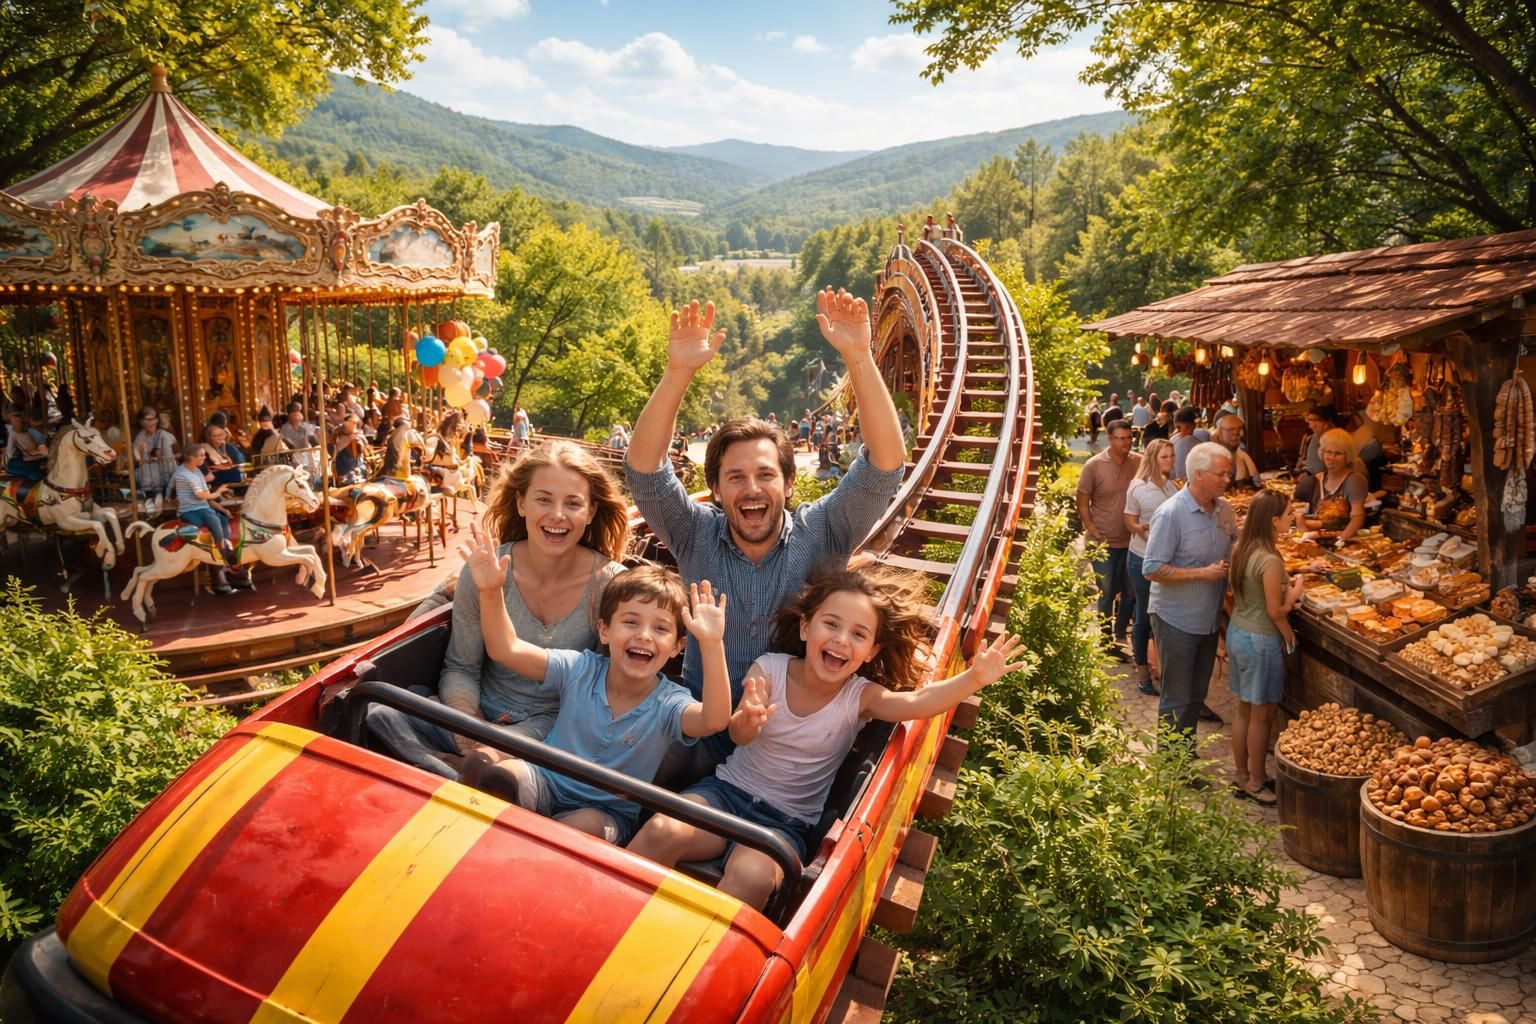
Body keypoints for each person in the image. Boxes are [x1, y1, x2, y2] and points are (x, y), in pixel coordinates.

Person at [627, 562, 1027, 908]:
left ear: (870, 651)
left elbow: (917, 702)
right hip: (725, 793)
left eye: (857, 634)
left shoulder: (859, 697)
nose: (840, 640)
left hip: (785, 823)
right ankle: (608, 915)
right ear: (805, 628)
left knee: (751, 875)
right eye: (831, 625)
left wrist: (973, 677)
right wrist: (747, 720)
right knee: (663, 829)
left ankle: (696, 970)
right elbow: (741, 731)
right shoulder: (769, 669)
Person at [625, 289, 906, 774]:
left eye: (765, 475)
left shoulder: (823, 531)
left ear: (789, 483)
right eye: (735, 478)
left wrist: (859, 357)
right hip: (703, 724)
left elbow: (884, 467)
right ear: (713, 488)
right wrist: (677, 373)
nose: (750, 490)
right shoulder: (695, 534)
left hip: (791, 741)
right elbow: (645, 472)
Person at [366, 440, 630, 778]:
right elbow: (461, 667)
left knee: (505, 770)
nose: (557, 515)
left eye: (573, 503)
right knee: (380, 711)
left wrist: (498, 745)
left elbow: (595, 695)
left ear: (591, 512)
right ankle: (459, 767)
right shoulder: (485, 571)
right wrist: (467, 728)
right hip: (475, 714)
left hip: (550, 729)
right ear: (521, 503)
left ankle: (450, 768)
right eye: (544, 499)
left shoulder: (610, 585)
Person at [457, 532, 732, 845]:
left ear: (676, 647)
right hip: (547, 780)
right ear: (604, 630)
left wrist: (711, 644)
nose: (644, 635)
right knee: (500, 776)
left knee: (579, 825)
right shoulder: (580, 669)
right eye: (631, 622)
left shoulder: (669, 704)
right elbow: (506, 649)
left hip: (605, 812)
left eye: (660, 628)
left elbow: (714, 719)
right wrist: (492, 592)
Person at [1143, 441, 1239, 743]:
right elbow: (1152, 568)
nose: (1228, 479)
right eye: (1221, 474)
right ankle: (1173, 768)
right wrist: (1202, 573)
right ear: (1199, 475)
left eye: (1229, 473)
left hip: (1208, 620)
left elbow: (1233, 545)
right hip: (1176, 620)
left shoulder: (1225, 510)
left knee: (1197, 694)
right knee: (1177, 698)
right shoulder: (1170, 514)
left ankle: (1185, 757)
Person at [1226, 490, 1305, 806]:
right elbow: (1276, 610)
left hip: (1239, 632)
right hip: (1261, 641)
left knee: (1244, 710)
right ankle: (1258, 781)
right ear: (1273, 521)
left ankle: (1242, 774)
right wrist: (1295, 593)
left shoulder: (1241, 549)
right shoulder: (1270, 560)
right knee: (1263, 715)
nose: (1292, 519)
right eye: (1288, 514)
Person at [1077, 419, 1141, 656]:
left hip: (1132, 541)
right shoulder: (1094, 466)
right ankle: (1105, 640)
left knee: (1129, 592)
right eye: (1120, 438)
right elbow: (1082, 502)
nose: (1126, 442)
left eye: (1129, 437)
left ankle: (1120, 634)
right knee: (1106, 591)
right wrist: (1092, 528)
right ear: (1111, 439)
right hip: (1103, 543)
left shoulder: (1139, 462)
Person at [1123, 438, 1177, 696]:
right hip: (1142, 558)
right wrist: (1142, 530)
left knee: (1162, 615)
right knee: (1144, 616)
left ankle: (1162, 669)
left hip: (1165, 560)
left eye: (1172, 456)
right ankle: (1143, 672)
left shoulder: (1171, 487)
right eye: (1165, 457)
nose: (1170, 461)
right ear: (1153, 458)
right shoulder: (1138, 487)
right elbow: (1129, 521)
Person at [170, 444, 241, 592]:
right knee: (213, 519)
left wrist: (223, 509)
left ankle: (223, 551)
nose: (204, 458)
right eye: (201, 456)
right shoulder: (183, 473)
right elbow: (200, 495)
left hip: (202, 507)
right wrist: (219, 491)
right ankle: (225, 553)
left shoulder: (197, 472)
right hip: (189, 510)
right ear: (191, 457)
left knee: (222, 518)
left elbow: (206, 498)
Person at [1302, 428, 1369, 543]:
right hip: (1317, 539)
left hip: (1343, 542)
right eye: (1328, 452)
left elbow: (1358, 517)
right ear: (1322, 453)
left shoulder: (1354, 480)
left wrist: (1340, 541)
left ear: (1347, 456)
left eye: (1338, 453)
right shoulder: (1318, 478)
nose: (1331, 458)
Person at [132, 406, 178, 502]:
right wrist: (140, 456)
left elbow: (175, 452)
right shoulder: (140, 436)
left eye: (154, 419)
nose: (152, 422)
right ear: (141, 421)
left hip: (166, 468)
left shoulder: (163, 434)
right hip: (149, 471)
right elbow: (137, 454)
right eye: (148, 420)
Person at [1292, 404, 1333, 505]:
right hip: (1311, 481)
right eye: (1310, 420)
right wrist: (1304, 468)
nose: (1312, 425)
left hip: (1324, 484)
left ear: (1327, 422)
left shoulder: (1334, 440)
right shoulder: (1314, 437)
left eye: (1317, 420)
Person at [1214, 412, 1262, 488]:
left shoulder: (1243, 455)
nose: (1236, 433)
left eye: (1239, 429)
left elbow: (1256, 482)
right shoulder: (1212, 456)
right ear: (1219, 432)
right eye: (1230, 429)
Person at [3, 404, 47, 480]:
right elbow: (27, 455)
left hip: (30, 461)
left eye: (20, 416)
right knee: (37, 475)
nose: (18, 419)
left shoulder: (29, 432)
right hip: (17, 463)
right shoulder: (14, 434)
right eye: (15, 417)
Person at [1170, 406, 1211, 482]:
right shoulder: (1194, 442)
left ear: (1188, 427)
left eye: (1179, 427)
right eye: (1177, 428)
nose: (1177, 431)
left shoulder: (1174, 439)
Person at [203, 421, 247, 488]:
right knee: (237, 474)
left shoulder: (226, 446)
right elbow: (207, 468)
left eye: (220, 435)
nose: (218, 437)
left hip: (228, 471)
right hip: (214, 475)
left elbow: (237, 460)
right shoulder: (204, 449)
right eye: (214, 436)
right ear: (209, 437)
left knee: (243, 474)